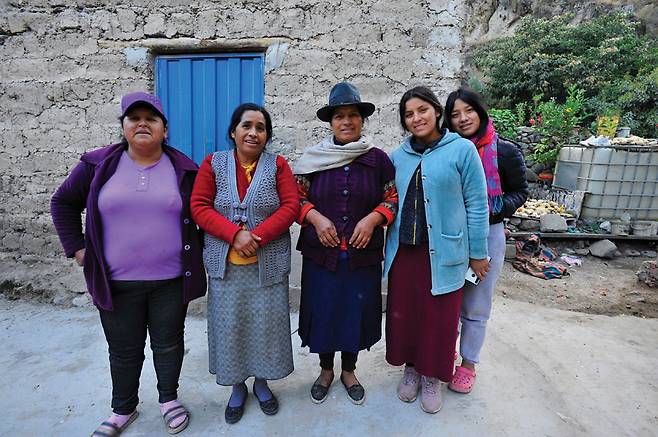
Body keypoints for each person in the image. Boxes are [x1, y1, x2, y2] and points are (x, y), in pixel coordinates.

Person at [50, 92, 206, 436]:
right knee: (123, 349)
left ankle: (168, 400)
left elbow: (203, 214)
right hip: (116, 281)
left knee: (168, 343)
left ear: (165, 130)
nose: (142, 124)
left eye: (151, 119)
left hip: (170, 280)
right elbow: (62, 202)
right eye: (133, 118)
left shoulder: (184, 169)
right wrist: (77, 248)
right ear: (123, 127)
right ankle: (123, 409)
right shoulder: (97, 166)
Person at [190, 103, 299, 424]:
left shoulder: (278, 165)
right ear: (233, 131)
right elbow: (199, 206)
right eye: (247, 125)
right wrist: (235, 235)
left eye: (261, 128)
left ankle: (262, 384)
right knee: (231, 327)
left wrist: (259, 236)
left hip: (267, 265)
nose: (253, 132)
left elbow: (291, 206)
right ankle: (237, 387)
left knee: (265, 328)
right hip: (227, 267)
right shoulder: (213, 164)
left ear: (267, 135)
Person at [384, 86, 489, 414]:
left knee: (440, 319)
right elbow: (387, 201)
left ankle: (432, 377)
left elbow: (476, 203)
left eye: (422, 110)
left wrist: (478, 252)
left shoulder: (461, 151)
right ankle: (412, 369)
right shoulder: (397, 157)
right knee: (406, 315)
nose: (416, 118)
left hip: (445, 253)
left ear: (436, 112)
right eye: (408, 114)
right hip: (405, 252)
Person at [294, 82, 398, 405]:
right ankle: (326, 370)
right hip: (321, 257)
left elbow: (392, 199)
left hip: (361, 258)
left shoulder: (378, 160)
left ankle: (349, 370)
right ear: (330, 122)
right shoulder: (313, 159)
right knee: (323, 313)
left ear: (362, 120)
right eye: (340, 116)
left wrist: (373, 219)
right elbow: (294, 199)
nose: (347, 121)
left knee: (355, 312)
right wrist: (314, 217)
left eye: (353, 115)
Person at [443, 87, 528, 394]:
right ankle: (445, 351)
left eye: (468, 111)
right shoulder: (446, 150)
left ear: (480, 111)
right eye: (455, 114)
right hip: (451, 234)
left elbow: (521, 191)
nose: (463, 118)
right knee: (448, 299)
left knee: (476, 303)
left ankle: (468, 364)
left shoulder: (503, 151)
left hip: (489, 234)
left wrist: (492, 207)